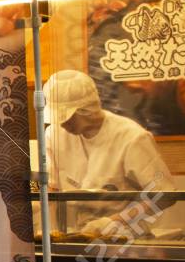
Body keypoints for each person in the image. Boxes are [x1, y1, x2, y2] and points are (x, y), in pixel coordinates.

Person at [44, 70, 175, 235]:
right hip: (80, 234)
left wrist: (113, 221)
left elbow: (164, 195)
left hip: (126, 237)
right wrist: (51, 229)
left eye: (67, 116)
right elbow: (51, 188)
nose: (62, 123)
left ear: (87, 109)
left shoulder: (131, 137)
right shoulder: (54, 134)